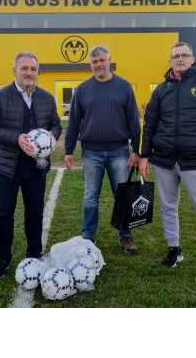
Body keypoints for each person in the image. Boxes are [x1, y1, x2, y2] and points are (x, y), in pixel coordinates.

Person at [138, 42, 196, 286]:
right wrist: (144, 155)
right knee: (168, 208)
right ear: (170, 61)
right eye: (175, 56)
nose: (179, 59)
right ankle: (174, 249)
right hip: (164, 161)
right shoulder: (161, 90)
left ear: (193, 59)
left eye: (184, 55)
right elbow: (149, 124)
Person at [0, 51, 62, 281]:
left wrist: (51, 138)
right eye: (24, 68)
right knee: (5, 214)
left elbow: (56, 125)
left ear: (38, 71)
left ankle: (34, 254)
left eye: (33, 69)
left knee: (35, 212)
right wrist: (16, 138)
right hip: (6, 167)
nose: (29, 73)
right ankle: (3, 259)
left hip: (36, 167)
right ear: (14, 70)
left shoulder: (46, 98)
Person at [64, 45, 141, 253]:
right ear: (91, 65)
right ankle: (88, 237)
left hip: (119, 151)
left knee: (122, 195)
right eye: (94, 62)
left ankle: (125, 235)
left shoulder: (124, 87)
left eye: (102, 61)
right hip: (91, 152)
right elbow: (73, 122)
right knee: (90, 196)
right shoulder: (82, 89)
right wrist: (69, 150)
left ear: (109, 61)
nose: (98, 65)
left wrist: (137, 150)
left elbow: (134, 120)